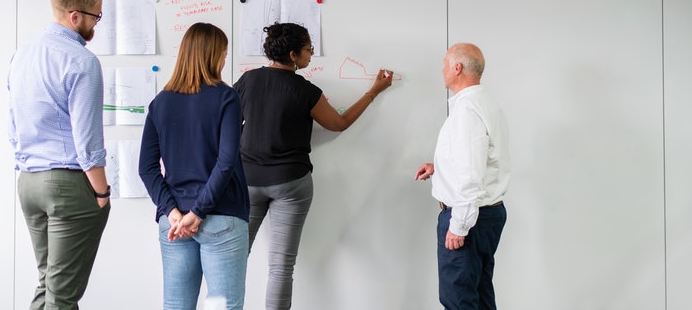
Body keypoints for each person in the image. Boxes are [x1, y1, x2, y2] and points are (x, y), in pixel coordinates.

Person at [234, 22, 393, 310]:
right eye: (309, 49)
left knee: (233, 258)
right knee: (281, 267)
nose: (312, 54)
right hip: (290, 183)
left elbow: (228, 121)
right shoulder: (306, 91)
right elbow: (338, 124)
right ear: (293, 55)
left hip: (247, 181)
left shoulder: (249, 80)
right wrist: (373, 92)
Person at [7, 0, 111, 310]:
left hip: (29, 182)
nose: (96, 23)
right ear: (75, 16)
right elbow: (88, 140)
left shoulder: (22, 54)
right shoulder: (81, 61)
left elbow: (13, 124)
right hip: (67, 185)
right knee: (62, 295)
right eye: (95, 16)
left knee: (49, 284)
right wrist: (102, 192)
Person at [138, 22, 250, 310]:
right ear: (213, 55)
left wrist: (173, 212)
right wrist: (198, 212)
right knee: (222, 306)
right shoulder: (226, 97)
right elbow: (226, 162)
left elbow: (146, 168)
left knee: (176, 305)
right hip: (221, 217)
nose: (224, 60)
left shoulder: (160, 102)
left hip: (174, 222)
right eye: (223, 53)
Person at [414, 42, 511, 310]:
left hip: (469, 216)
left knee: (458, 300)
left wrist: (459, 225)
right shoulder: (485, 103)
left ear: (457, 68)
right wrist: (439, 166)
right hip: (487, 214)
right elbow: (481, 157)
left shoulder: (467, 110)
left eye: (445, 63)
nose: (442, 69)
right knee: (479, 295)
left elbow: (470, 175)